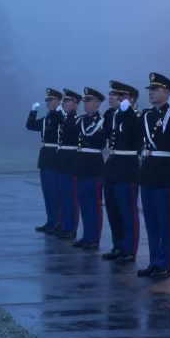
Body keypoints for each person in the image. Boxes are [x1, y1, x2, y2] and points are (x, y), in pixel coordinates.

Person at [138, 72, 170, 280]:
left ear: (167, 93)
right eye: (150, 89)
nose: (151, 93)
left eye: (155, 89)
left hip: (165, 172)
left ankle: (165, 263)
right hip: (148, 171)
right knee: (151, 222)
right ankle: (154, 261)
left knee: (165, 221)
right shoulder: (147, 116)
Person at [102, 81, 143, 263]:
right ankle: (118, 245)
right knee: (113, 211)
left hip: (127, 166)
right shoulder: (112, 115)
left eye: (118, 95)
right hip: (112, 165)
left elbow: (134, 131)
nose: (112, 97)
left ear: (130, 99)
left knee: (127, 211)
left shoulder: (135, 116)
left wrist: (127, 111)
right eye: (112, 94)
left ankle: (129, 249)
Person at [26, 88, 64, 233]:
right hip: (45, 156)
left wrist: (58, 110)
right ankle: (51, 221)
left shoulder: (60, 117)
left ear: (58, 102)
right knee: (47, 191)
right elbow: (30, 126)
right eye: (48, 101)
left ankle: (58, 222)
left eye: (52, 100)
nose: (49, 103)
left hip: (55, 156)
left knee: (54, 192)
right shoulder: (47, 119)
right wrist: (33, 111)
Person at [73, 87, 107, 249]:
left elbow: (99, 141)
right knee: (84, 204)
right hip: (81, 164)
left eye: (88, 101)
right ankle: (86, 235)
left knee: (93, 204)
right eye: (85, 101)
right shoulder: (80, 120)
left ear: (97, 104)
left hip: (93, 164)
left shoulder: (101, 121)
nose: (85, 104)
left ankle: (94, 238)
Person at [55, 89, 82, 240]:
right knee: (63, 196)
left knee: (71, 198)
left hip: (71, 162)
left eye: (67, 100)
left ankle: (71, 228)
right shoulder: (65, 119)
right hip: (62, 162)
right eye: (63, 101)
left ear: (76, 103)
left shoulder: (76, 120)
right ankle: (65, 225)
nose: (64, 103)